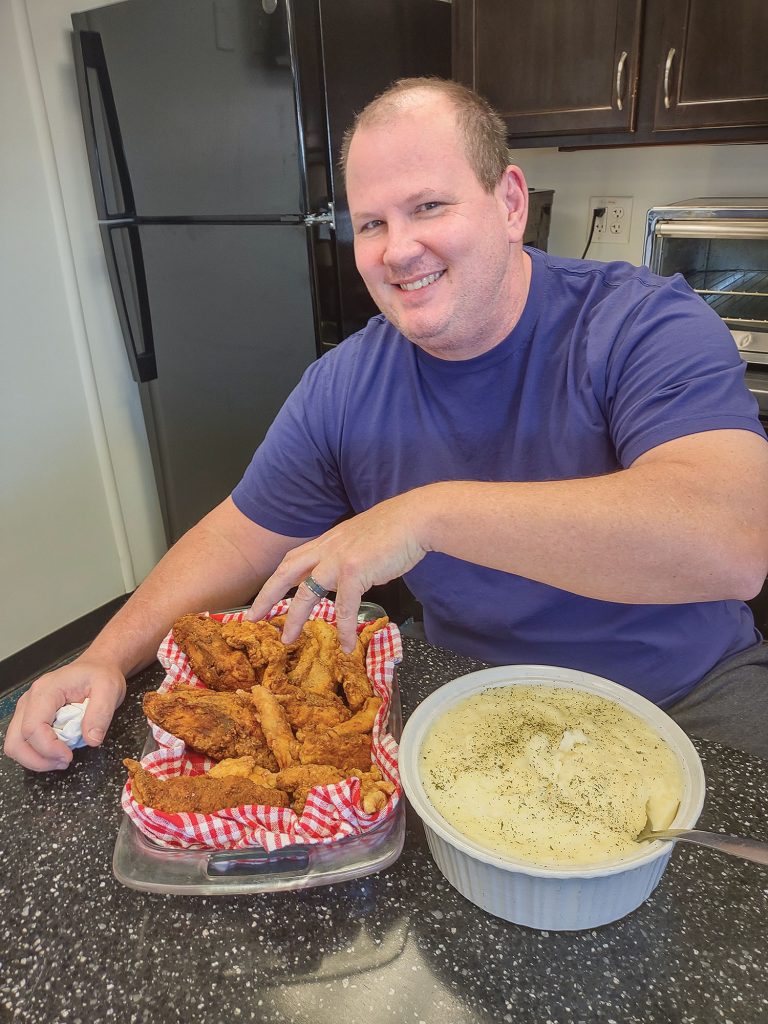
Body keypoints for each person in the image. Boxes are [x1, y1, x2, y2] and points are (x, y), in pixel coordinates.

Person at [6, 77, 768, 772]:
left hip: (688, 698)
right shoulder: (343, 384)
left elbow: (730, 541)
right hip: (472, 702)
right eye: (371, 223)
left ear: (509, 203)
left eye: (429, 206)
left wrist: (425, 516)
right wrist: (106, 656)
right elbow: (238, 537)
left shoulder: (643, 322)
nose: (398, 250)